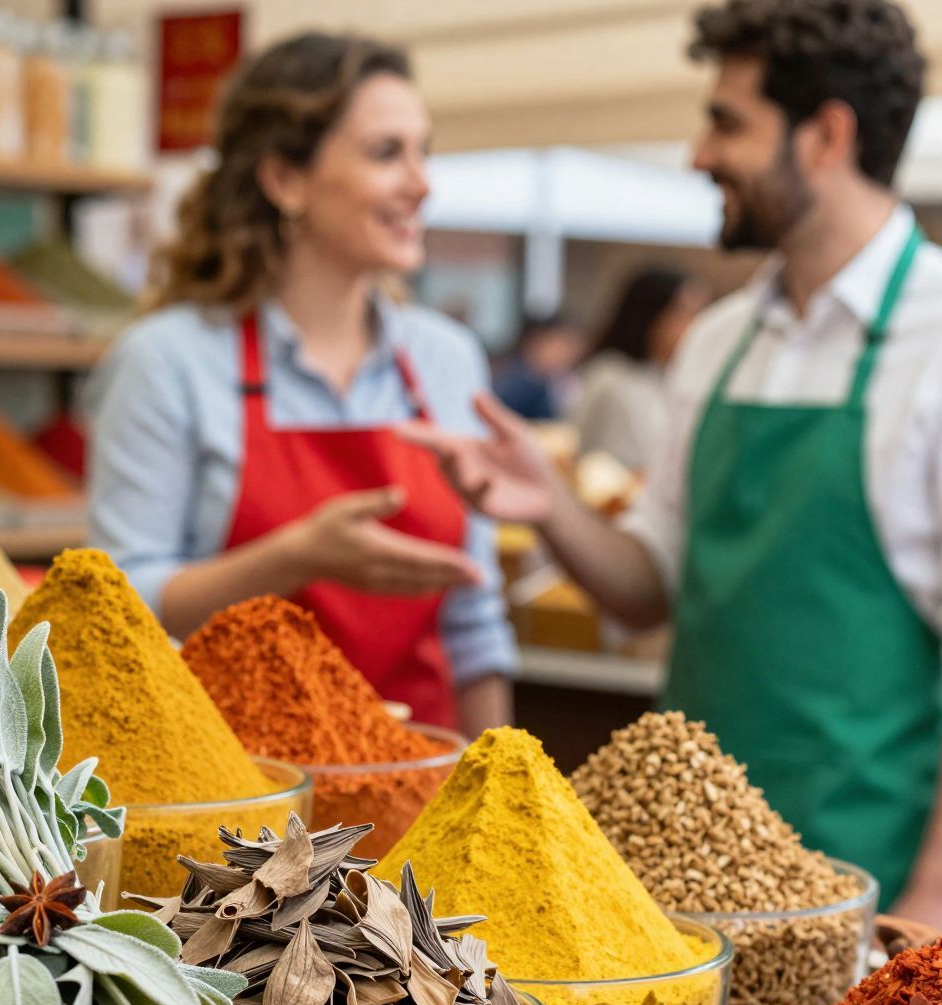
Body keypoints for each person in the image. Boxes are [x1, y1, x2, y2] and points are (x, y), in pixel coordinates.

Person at [402, 0, 942, 927]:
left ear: (827, 135)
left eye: (728, 122)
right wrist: (548, 503)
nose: (699, 154)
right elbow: (649, 587)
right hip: (676, 888)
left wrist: (934, 900)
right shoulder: (718, 341)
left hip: (871, 883)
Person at [85, 32, 513, 733]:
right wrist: (296, 558)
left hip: (422, 790)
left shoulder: (447, 359)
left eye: (423, 150)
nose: (423, 182)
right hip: (238, 796)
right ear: (285, 179)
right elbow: (118, 606)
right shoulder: (167, 362)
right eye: (386, 153)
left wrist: (501, 791)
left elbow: (474, 621)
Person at [571, 267, 712, 471]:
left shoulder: (671, 378)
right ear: (652, 314)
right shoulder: (609, 376)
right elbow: (579, 449)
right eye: (684, 312)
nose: (695, 325)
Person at [491, 313, 585, 421]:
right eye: (562, 346)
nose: (567, 356)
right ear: (537, 341)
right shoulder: (517, 382)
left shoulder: (552, 383)